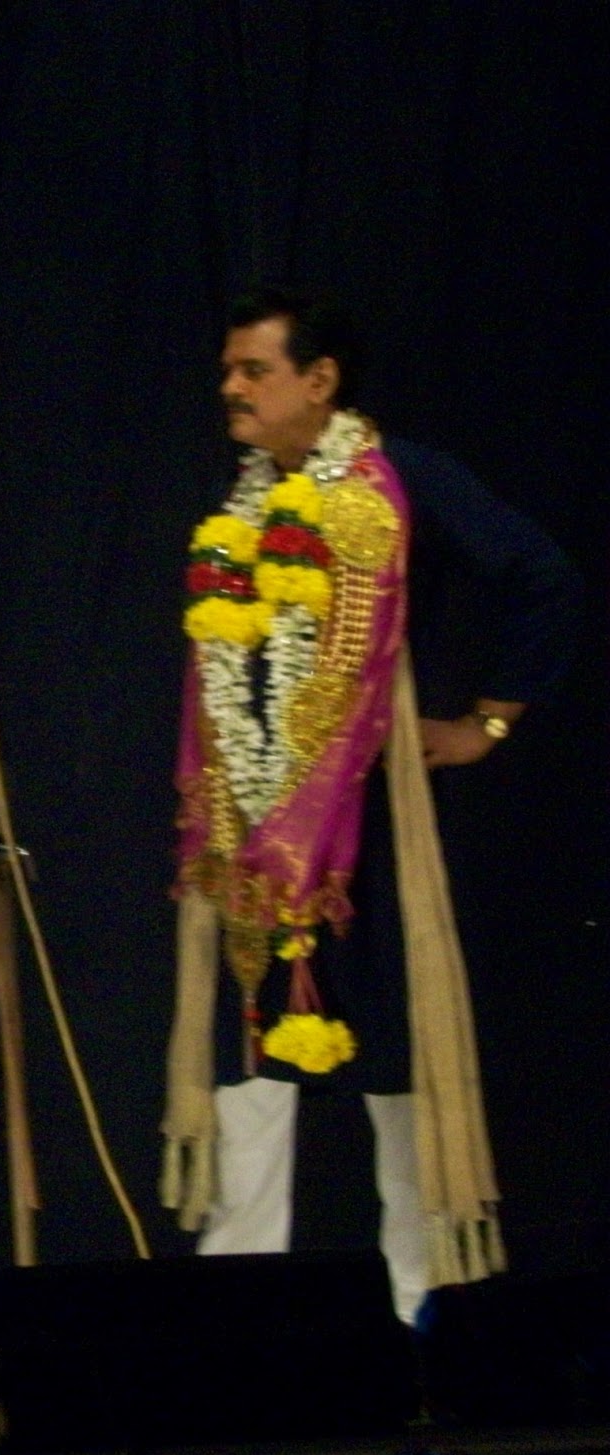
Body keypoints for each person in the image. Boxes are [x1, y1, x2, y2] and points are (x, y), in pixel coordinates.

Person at [160, 289, 583, 1325]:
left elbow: (542, 577)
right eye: (226, 370)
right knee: (249, 1066)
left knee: (395, 1066)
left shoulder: (402, 481)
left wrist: (486, 724)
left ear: (320, 380)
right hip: (250, 830)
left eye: (252, 370)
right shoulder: (242, 500)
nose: (229, 388)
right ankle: (240, 1321)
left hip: (371, 836)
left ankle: (418, 1319)